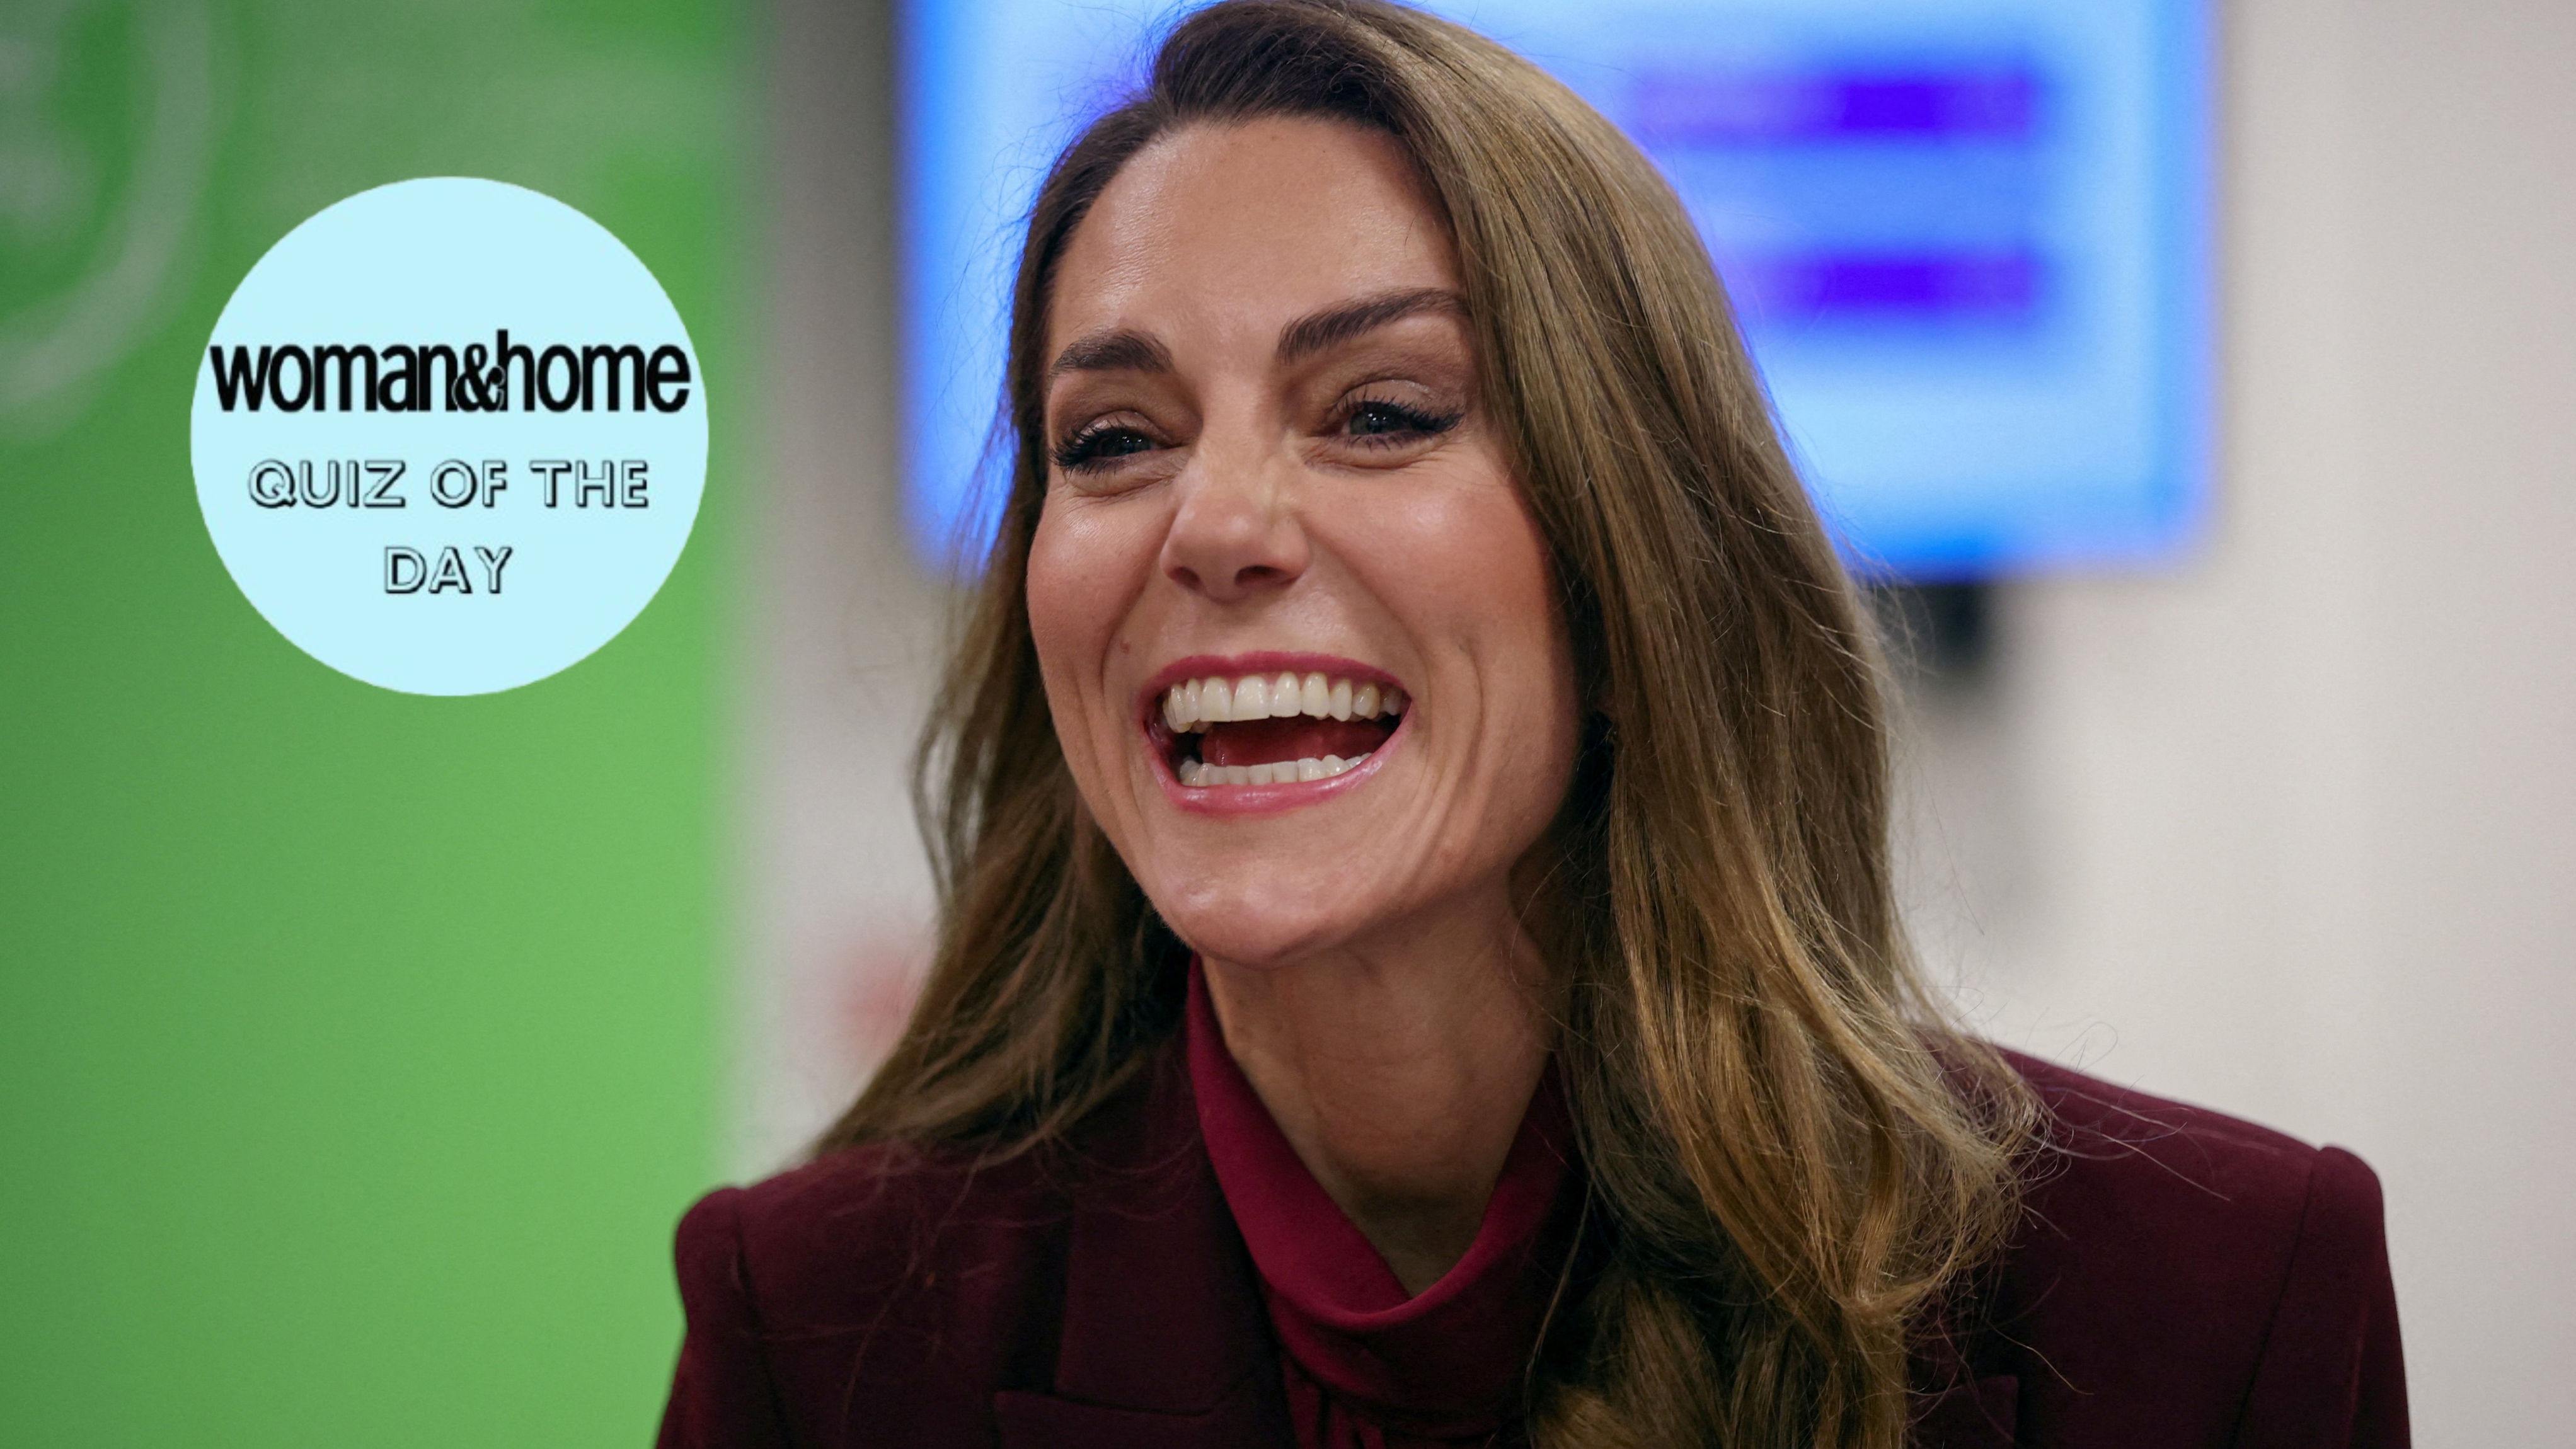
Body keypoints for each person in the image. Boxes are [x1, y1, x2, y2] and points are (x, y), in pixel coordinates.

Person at [657, 2, 2407, 1445]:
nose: (1213, 522)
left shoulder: (2221, 1307)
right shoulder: (819, 1334)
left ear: (1637, 565)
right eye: (1112, 439)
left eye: (1383, 409)